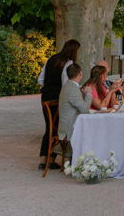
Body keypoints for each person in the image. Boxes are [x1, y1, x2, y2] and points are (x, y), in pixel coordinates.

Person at [39, 39, 80, 170]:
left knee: (49, 127)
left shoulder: (51, 59)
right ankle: (51, 159)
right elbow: (65, 84)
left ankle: (43, 159)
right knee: (58, 128)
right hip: (57, 100)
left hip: (45, 97)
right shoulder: (68, 63)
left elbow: (40, 79)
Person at [57, 64, 93, 143]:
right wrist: (89, 94)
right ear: (80, 73)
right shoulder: (72, 88)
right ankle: (86, 153)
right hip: (70, 127)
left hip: (69, 122)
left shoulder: (68, 85)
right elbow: (85, 110)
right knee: (95, 128)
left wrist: (83, 94)